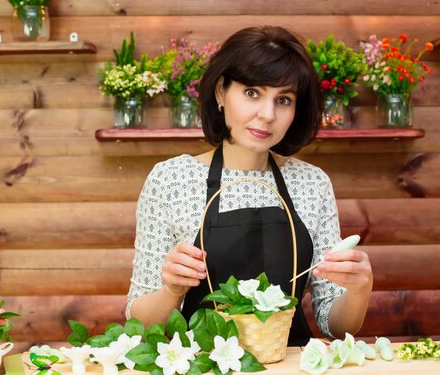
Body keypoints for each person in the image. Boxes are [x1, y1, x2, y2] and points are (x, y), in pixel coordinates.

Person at [126, 26, 372, 345]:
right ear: (220, 92)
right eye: (252, 93)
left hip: (288, 364)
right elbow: (140, 325)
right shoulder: (171, 180)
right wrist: (172, 290)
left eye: (283, 99)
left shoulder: (313, 183)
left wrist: (359, 290)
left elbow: (335, 327)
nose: (267, 115)